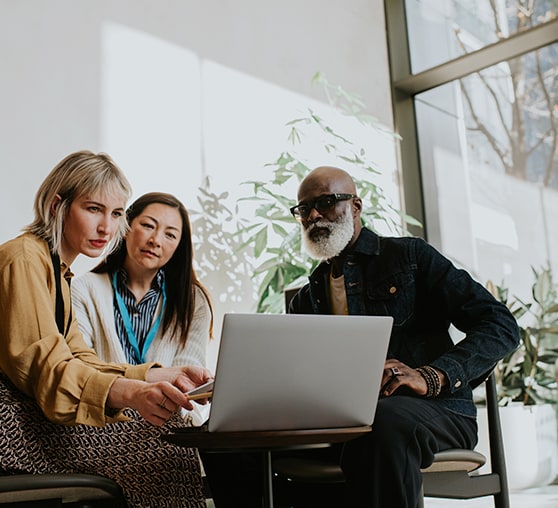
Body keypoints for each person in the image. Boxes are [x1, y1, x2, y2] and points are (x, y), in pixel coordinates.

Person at [203, 165, 520, 508]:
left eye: (325, 202)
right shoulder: (307, 298)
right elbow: (298, 378)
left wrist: (431, 376)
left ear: (355, 206)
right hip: (341, 426)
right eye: (303, 209)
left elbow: (500, 325)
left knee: (381, 425)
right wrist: (247, 390)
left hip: (433, 413)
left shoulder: (410, 257)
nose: (313, 215)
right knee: (221, 437)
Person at [0, 150, 213, 507]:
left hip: (31, 418)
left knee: (165, 436)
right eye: (93, 209)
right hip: (12, 429)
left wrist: (156, 374)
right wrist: (130, 394)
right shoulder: (24, 259)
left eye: (116, 214)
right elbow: (50, 371)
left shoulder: (56, 269)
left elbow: (79, 358)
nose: (107, 227)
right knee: (161, 446)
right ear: (57, 206)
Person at [72, 191, 213, 427]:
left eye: (170, 234)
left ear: (179, 245)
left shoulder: (193, 301)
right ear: (125, 226)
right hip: (100, 424)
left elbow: (188, 389)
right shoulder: (83, 289)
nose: (156, 240)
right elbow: (82, 371)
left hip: (166, 426)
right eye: (148, 226)